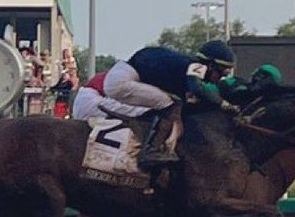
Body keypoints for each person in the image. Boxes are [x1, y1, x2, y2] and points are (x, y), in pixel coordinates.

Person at [102, 39, 239, 168]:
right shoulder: (196, 66)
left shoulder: (188, 67)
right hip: (123, 79)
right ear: (210, 64)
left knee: (172, 105)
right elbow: (197, 88)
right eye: (222, 71)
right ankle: (150, 151)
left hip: (126, 75)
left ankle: (149, 139)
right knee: (167, 103)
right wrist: (223, 104)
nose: (221, 77)